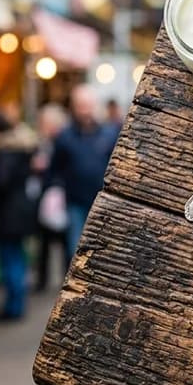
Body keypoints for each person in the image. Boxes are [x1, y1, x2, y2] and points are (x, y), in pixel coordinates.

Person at [49, 85, 119, 259]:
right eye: (81, 105)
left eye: (88, 105)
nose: (85, 110)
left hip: (102, 202)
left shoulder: (108, 134)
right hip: (75, 202)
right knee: (75, 250)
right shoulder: (64, 136)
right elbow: (55, 169)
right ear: (73, 107)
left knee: (101, 251)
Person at [0, 109, 39, 322]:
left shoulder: (5, 152)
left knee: (10, 258)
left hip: (8, 213)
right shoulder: (22, 148)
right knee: (17, 257)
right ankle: (17, 303)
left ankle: (13, 307)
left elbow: (0, 183)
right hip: (21, 210)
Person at [31, 102, 68, 292]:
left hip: (57, 196)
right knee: (44, 242)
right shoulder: (42, 142)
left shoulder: (62, 141)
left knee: (63, 240)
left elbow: (63, 168)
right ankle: (42, 279)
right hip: (45, 196)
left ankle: (65, 278)